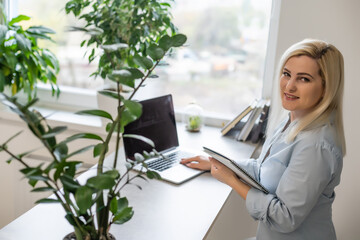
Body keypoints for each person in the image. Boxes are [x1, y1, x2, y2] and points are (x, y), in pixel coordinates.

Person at [181, 39, 345, 240]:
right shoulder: (293, 119)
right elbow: (264, 169)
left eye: (304, 79)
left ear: (326, 88)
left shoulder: (316, 145)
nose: (290, 86)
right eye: (286, 74)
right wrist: (220, 164)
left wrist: (231, 180)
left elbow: (285, 218)